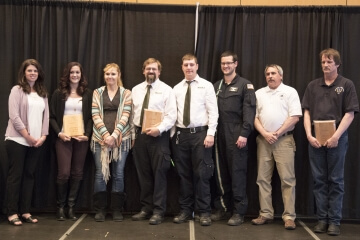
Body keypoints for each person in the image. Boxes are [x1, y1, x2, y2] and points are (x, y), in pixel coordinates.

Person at [302, 48, 359, 236]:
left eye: (329, 62)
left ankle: (334, 221)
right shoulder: (312, 86)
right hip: (315, 138)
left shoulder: (346, 84)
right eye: (323, 62)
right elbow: (307, 112)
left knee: (335, 180)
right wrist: (309, 136)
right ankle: (322, 219)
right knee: (319, 180)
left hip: (337, 138)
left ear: (337, 64)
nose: (326, 65)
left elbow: (350, 114)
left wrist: (335, 137)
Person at [251, 64, 302, 230]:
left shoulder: (290, 92)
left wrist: (277, 133)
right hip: (263, 140)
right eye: (267, 74)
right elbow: (254, 117)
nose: (270, 76)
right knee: (262, 179)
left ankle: (289, 217)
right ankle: (265, 213)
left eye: (273, 73)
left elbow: (295, 117)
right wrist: (265, 134)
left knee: (287, 180)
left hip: (284, 141)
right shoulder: (259, 93)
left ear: (281, 75)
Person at [172, 54, 218, 226]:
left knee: (202, 174)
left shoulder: (206, 86)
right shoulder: (176, 88)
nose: (189, 67)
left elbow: (213, 111)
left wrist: (211, 133)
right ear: (182, 67)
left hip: (201, 134)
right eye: (186, 65)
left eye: (192, 64)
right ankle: (185, 210)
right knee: (183, 175)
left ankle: (204, 212)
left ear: (197, 66)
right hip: (181, 135)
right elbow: (172, 113)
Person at [212, 51, 256, 226]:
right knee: (220, 174)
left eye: (229, 63)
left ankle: (239, 212)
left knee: (237, 174)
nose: (226, 66)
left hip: (236, 133)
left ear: (236, 64)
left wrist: (244, 134)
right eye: (223, 63)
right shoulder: (216, 86)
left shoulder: (245, 85)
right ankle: (223, 208)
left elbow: (250, 112)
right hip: (218, 134)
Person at [131, 58, 176, 225]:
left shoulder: (167, 90)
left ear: (159, 71)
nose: (151, 71)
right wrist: (134, 137)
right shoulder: (135, 90)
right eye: (148, 69)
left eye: (154, 69)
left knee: (159, 174)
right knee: (144, 175)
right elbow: (131, 116)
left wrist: (160, 129)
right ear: (143, 71)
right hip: (140, 137)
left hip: (159, 137)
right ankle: (146, 208)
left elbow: (172, 116)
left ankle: (158, 211)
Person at [4, 59, 49, 226]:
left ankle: (25, 211)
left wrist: (43, 137)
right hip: (17, 140)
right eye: (29, 70)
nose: (32, 73)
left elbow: (47, 117)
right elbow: (14, 116)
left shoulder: (42, 92)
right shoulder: (17, 90)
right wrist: (27, 136)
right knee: (15, 177)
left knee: (29, 177)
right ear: (24, 73)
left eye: (35, 71)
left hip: (36, 142)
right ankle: (11, 212)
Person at [50, 62, 92, 221]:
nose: (75, 75)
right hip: (64, 138)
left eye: (78, 72)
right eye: (72, 72)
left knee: (77, 173)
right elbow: (52, 117)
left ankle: (71, 207)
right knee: (64, 173)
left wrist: (87, 134)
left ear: (81, 75)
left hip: (81, 139)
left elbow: (89, 118)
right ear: (67, 75)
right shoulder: (58, 93)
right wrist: (60, 133)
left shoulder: (87, 94)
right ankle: (60, 207)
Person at [91, 63, 132, 222]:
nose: (110, 77)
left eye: (113, 74)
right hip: (99, 139)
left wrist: (114, 136)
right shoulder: (97, 92)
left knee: (118, 174)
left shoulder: (126, 93)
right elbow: (95, 115)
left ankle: (116, 209)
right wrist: (105, 135)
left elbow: (126, 116)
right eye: (107, 74)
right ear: (104, 76)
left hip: (122, 139)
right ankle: (100, 209)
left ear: (119, 75)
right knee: (101, 174)